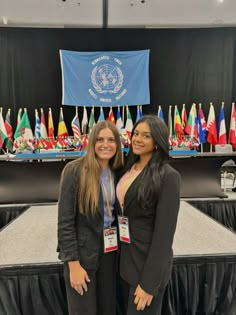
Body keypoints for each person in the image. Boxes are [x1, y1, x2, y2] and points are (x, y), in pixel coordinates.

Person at [116, 115, 181, 314]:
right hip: (126, 264)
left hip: (146, 271)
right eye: (136, 133)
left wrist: (148, 284)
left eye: (146, 136)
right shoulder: (128, 169)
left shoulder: (168, 176)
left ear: (157, 142)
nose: (137, 139)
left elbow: (164, 236)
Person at [57, 120, 123, 315]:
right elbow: (65, 222)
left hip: (110, 252)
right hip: (83, 255)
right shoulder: (74, 171)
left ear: (117, 144)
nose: (105, 144)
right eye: (100, 139)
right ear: (92, 142)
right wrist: (73, 264)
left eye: (111, 140)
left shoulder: (119, 171)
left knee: (107, 309)